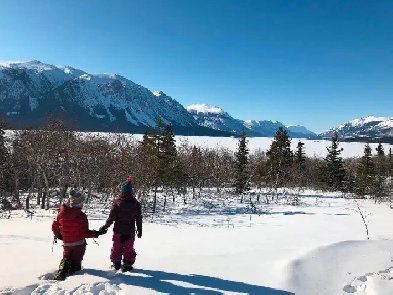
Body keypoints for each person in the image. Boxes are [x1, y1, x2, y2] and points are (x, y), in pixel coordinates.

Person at [51, 190, 104, 280]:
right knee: (76, 263)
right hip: (79, 244)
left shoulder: (61, 213)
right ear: (79, 204)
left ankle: (62, 270)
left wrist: (58, 235)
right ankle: (74, 279)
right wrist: (96, 233)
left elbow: (54, 226)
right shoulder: (81, 216)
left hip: (67, 243)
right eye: (82, 203)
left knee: (66, 258)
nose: (82, 205)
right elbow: (85, 233)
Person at [99, 177, 142, 272]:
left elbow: (111, 218)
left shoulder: (117, 203)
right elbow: (138, 218)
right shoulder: (136, 203)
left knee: (116, 247)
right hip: (130, 231)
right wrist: (139, 230)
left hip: (118, 231)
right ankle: (128, 264)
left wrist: (105, 226)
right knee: (129, 248)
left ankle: (116, 263)